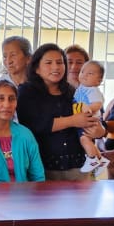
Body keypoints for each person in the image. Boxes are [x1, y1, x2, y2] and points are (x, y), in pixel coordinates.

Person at [16, 44, 103, 182]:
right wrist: (73, 120)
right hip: (42, 168)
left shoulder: (73, 91)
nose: (56, 67)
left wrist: (99, 131)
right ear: (37, 68)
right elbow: (33, 124)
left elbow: (96, 119)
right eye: (48, 63)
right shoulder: (27, 92)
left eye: (59, 62)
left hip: (78, 167)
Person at [74, 60, 108, 175]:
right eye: (82, 71)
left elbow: (98, 104)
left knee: (84, 139)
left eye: (90, 73)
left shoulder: (93, 90)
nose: (84, 75)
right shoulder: (81, 88)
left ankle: (92, 159)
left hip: (89, 119)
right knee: (88, 141)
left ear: (99, 81)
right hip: (82, 119)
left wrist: (88, 109)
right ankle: (101, 160)